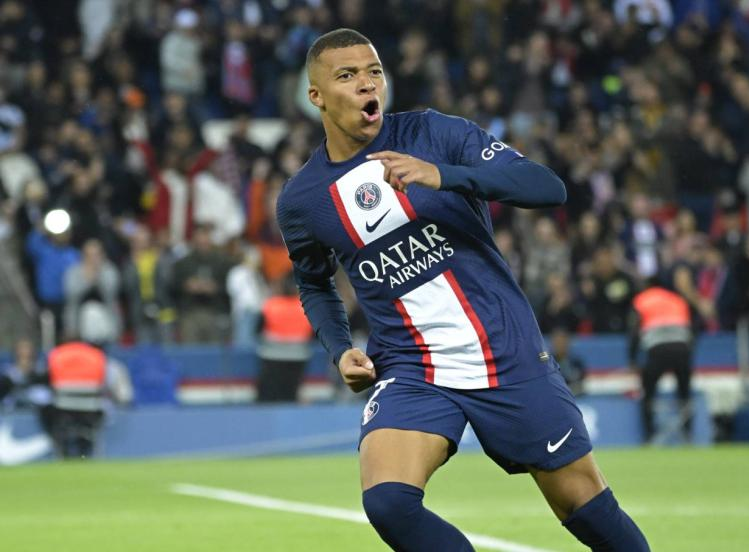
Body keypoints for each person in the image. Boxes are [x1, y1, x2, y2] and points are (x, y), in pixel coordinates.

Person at [277, 29, 649, 551]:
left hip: (504, 351)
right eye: (347, 75)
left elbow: (547, 187)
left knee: (584, 509)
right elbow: (313, 283)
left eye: (374, 71)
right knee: (388, 503)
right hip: (411, 365)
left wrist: (445, 175)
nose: (367, 84)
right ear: (316, 95)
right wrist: (340, 350)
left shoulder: (435, 133)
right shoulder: (302, 200)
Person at [628, 277, 694, 443]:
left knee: (648, 391)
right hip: (682, 347)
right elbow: (691, 328)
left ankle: (649, 434)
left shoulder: (642, 300)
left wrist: (632, 359)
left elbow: (634, 332)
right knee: (684, 391)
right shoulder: (677, 299)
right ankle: (688, 432)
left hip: (658, 349)